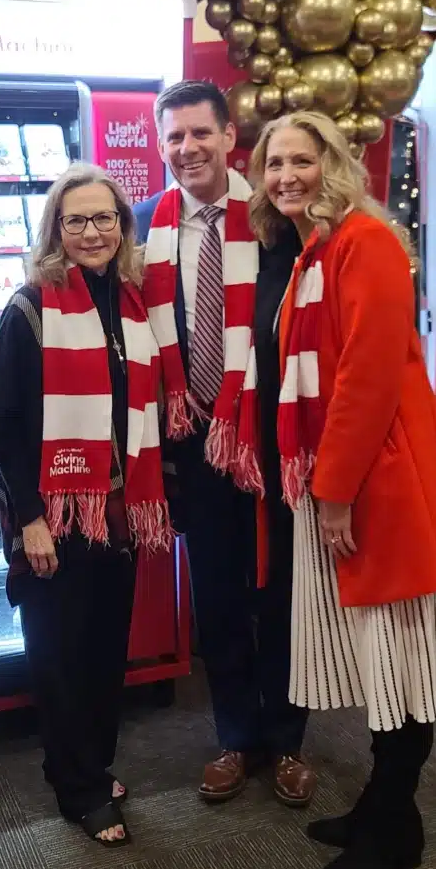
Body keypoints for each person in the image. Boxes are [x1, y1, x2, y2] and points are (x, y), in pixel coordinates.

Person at [249, 111, 436, 869]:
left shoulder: (366, 243)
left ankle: (387, 824)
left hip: (381, 485)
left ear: (334, 164)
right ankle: (393, 816)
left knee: (400, 657)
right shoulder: (321, 249)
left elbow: (367, 379)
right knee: (383, 654)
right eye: (274, 163)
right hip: (355, 479)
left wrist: (336, 492)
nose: (285, 175)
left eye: (300, 160)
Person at [0, 163, 172, 847]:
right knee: (59, 659)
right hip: (53, 518)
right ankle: (80, 789)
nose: (93, 232)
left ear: (124, 225)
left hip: (116, 514)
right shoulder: (31, 308)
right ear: (56, 229)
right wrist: (31, 520)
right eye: (77, 219)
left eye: (106, 218)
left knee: (103, 653)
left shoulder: (134, 305)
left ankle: (89, 765)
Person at [136, 80, 314, 806]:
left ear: (230, 134)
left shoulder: (275, 219)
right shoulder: (147, 223)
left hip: (270, 442)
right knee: (214, 595)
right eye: (173, 137)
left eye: (199, 133)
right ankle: (236, 737)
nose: (187, 149)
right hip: (195, 442)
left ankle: (288, 741)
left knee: (278, 592)